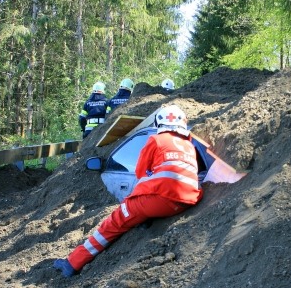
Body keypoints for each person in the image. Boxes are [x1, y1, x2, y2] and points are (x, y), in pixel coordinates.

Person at [54, 104, 203, 277]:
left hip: (160, 200)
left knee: (114, 222)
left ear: (160, 122)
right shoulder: (189, 145)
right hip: (187, 201)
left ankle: (72, 263)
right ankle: (143, 219)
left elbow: (140, 171)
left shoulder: (156, 140)